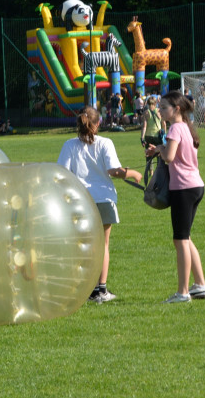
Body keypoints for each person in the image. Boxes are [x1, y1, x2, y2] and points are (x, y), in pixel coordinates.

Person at [57, 106, 143, 304]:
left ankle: (84, 288)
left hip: (80, 202)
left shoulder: (69, 145)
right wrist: (133, 173)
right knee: (103, 245)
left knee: (83, 245)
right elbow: (114, 171)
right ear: (98, 124)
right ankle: (100, 290)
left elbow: (62, 174)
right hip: (103, 199)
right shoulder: (105, 142)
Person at [145, 91, 205, 303]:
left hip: (183, 188)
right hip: (195, 186)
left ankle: (182, 292)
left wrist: (161, 150)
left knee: (180, 240)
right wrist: (161, 149)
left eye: (164, 107)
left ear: (177, 109)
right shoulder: (186, 128)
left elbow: (171, 156)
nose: (161, 111)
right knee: (186, 237)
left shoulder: (174, 128)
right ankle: (200, 285)